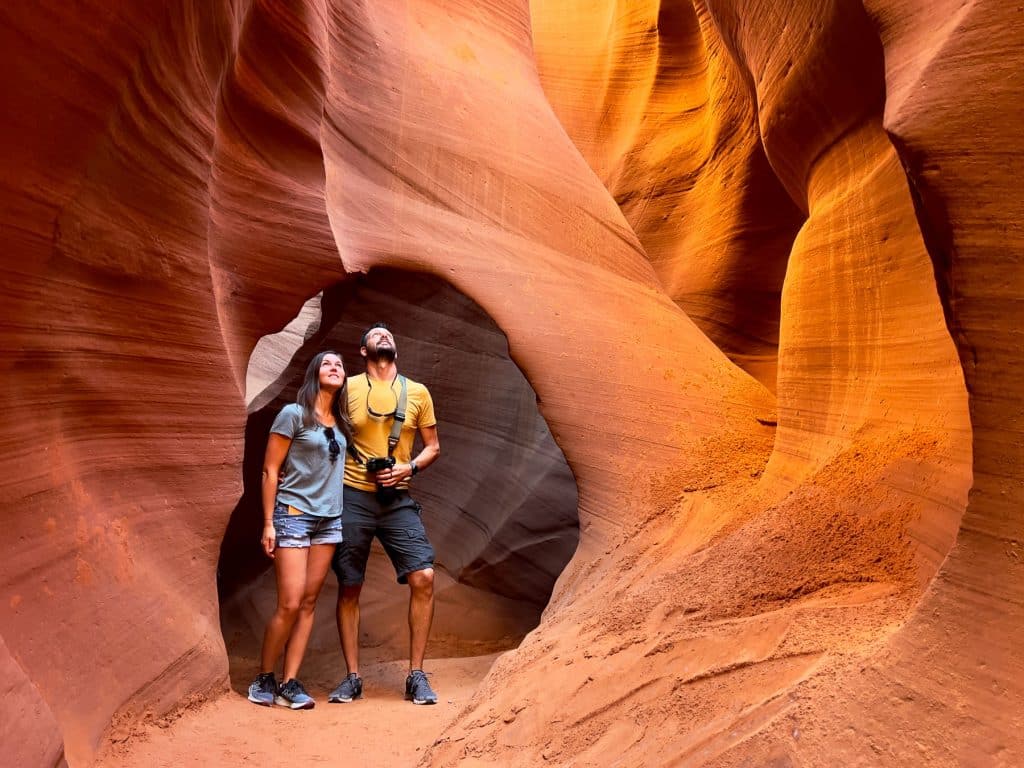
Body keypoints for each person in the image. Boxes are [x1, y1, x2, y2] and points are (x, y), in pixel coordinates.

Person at [328, 322, 442, 706]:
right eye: (376, 335)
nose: (384, 336)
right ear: (363, 351)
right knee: (350, 584)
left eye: (389, 334)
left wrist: (408, 468)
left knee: (424, 576)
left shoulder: (418, 392)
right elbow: (323, 426)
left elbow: (433, 447)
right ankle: (353, 677)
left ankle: (416, 675)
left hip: (397, 498)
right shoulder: (347, 388)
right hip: (353, 496)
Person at [247, 351, 353, 709]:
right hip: (293, 515)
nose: (334, 367)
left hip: (329, 521)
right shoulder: (293, 414)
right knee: (290, 602)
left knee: (308, 603)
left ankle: (289, 683)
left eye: (339, 365)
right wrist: (268, 523)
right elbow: (270, 471)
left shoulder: (341, 424)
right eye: (327, 363)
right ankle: (264, 676)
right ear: (313, 373)